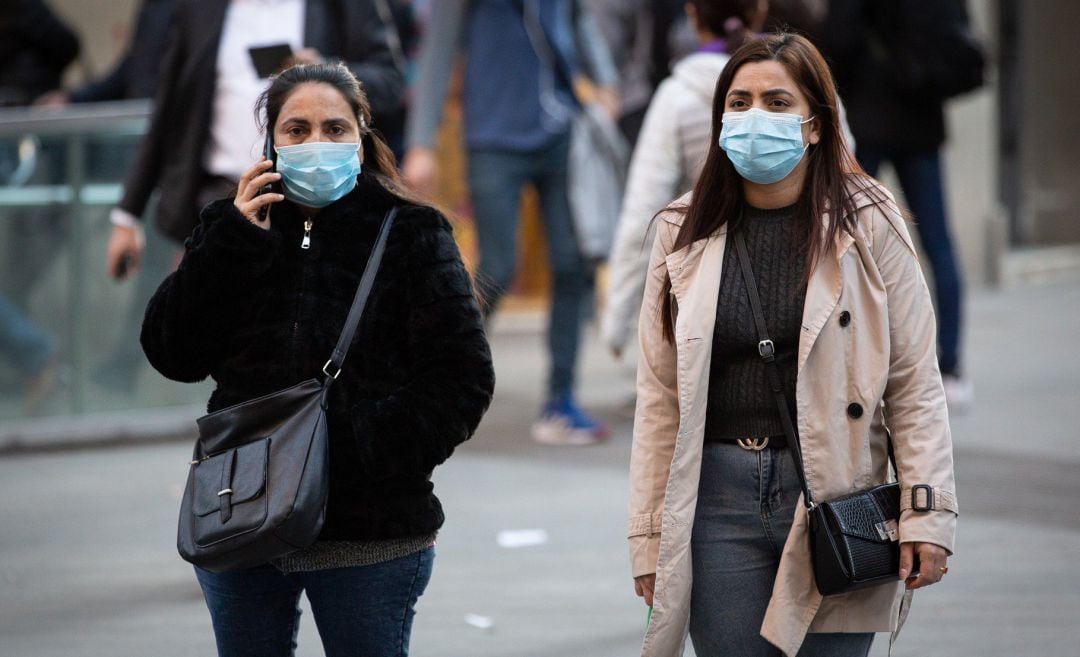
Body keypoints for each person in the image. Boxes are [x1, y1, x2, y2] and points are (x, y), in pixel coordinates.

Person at [141, 63, 495, 657]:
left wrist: (355, 447)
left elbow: (461, 378)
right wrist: (231, 240)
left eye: (335, 129)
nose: (316, 144)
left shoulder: (412, 231)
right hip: (242, 515)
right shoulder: (232, 226)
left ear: (362, 136)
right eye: (297, 130)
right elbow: (172, 353)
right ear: (271, 143)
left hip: (370, 526)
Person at [627, 34, 957, 657]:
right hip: (716, 501)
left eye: (778, 102)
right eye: (741, 102)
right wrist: (648, 537)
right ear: (720, 120)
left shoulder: (870, 220)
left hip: (836, 492)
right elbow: (660, 400)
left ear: (814, 125)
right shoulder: (681, 230)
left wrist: (927, 514)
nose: (757, 117)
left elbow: (914, 382)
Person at [403, 0, 617, 445]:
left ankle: (561, 401)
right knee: (497, 268)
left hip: (562, 130)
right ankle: (437, 387)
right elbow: (438, 50)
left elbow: (578, 20)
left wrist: (606, 81)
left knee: (572, 264)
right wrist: (422, 141)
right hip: (493, 137)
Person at [106, 0, 405, 283]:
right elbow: (168, 106)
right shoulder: (198, 7)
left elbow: (390, 81)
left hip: (318, 205)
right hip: (218, 201)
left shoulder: (339, 7)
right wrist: (127, 214)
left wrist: (325, 74)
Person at [823, 0, 976, 410]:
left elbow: (837, 42)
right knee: (938, 243)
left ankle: (846, 357)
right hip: (921, 121)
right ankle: (953, 366)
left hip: (868, 119)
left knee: (843, 236)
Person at [601, 0, 766, 358]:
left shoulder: (677, 96)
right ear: (761, 8)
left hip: (707, 290)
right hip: (797, 274)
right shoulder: (802, 84)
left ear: (692, 15)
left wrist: (618, 321)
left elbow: (643, 211)